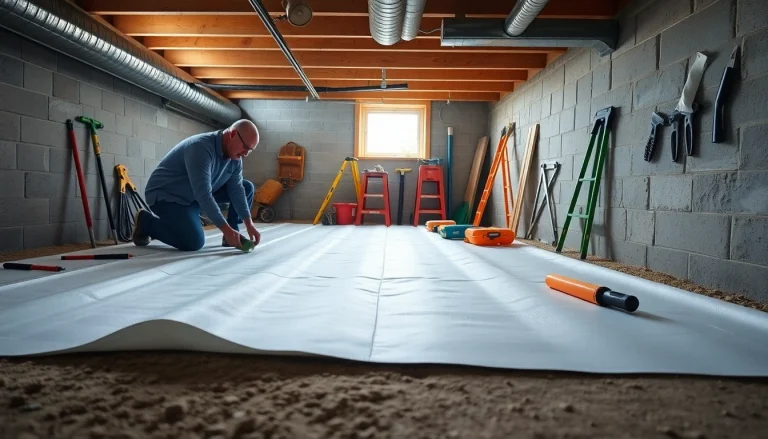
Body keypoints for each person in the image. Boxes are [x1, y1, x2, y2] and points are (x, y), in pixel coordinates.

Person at [132, 119, 261, 251]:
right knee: (193, 241)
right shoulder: (200, 148)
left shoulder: (235, 158)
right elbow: (204, 194)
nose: (245, 154)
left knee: (246, 188)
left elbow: (237, 190)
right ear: (232, 134)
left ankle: (232, 233)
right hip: (168, 196)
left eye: (250, 150)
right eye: (245, 147)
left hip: (194, 195)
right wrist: (225, 229)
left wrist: (249, 224)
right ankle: (146, 222)